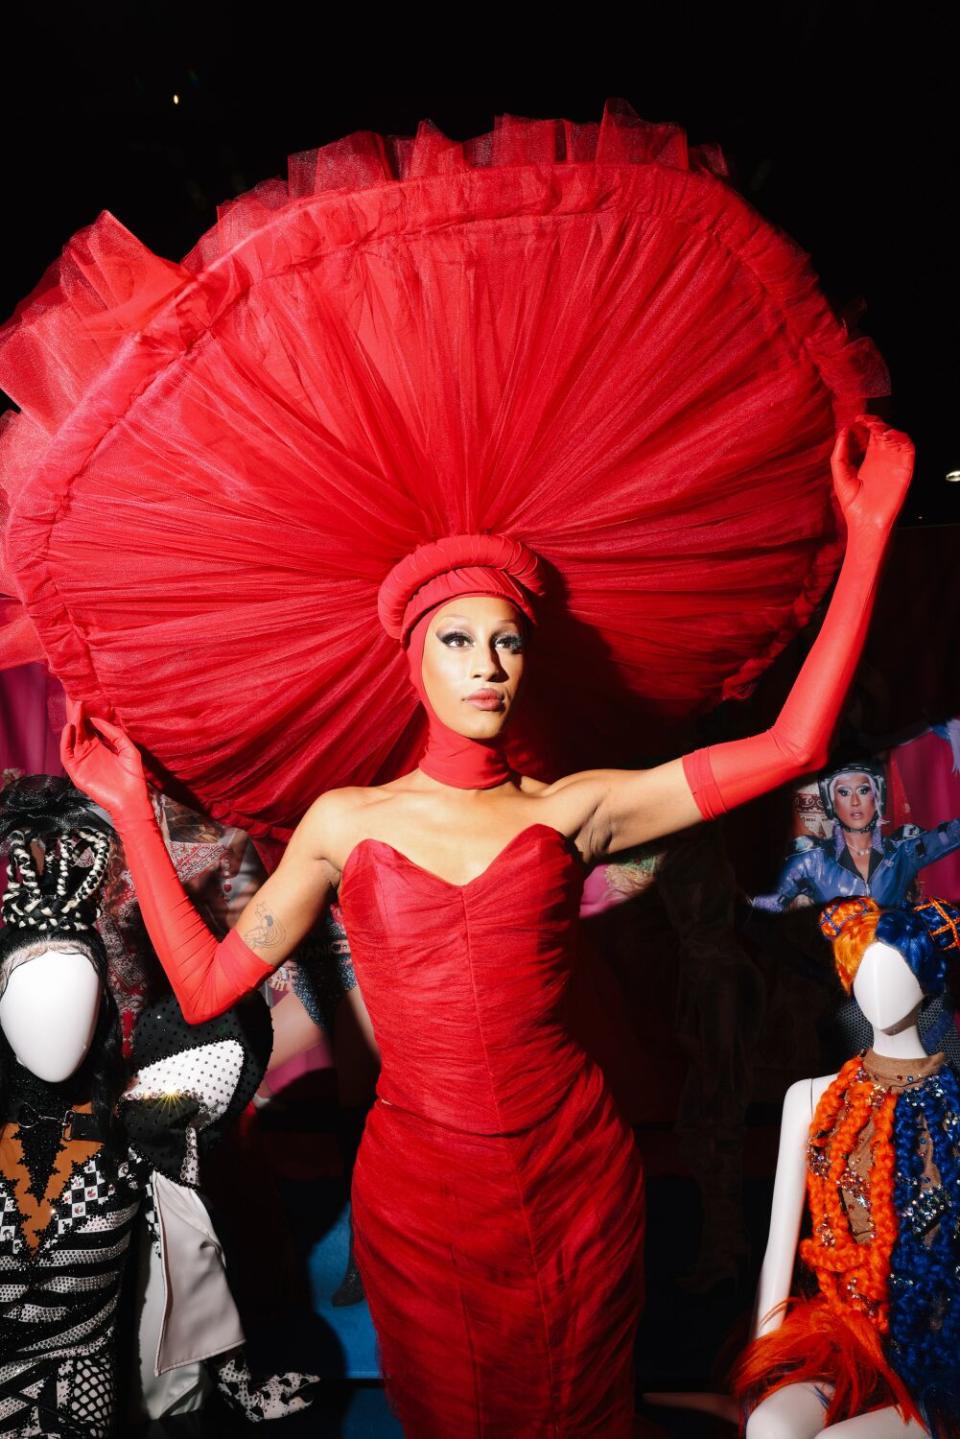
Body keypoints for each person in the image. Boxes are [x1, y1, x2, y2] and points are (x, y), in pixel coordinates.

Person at [2, 106, 913, 1433]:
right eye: (459, 639)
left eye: (507, 640)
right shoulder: (343, 818)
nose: (488, 662)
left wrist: (872, 532)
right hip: (423, 1195)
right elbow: (205, 982)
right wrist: (136, 811)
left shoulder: (577, 806)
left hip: (580, 1167)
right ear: (411, 658)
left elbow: (791, 746)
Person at [0, 777, 317, 1435]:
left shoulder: (210, 834)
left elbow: (292, 989)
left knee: (167, 1337)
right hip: (40, 1108)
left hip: (145, 1111)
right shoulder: (30, 809)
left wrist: (169, 1096)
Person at [734, 896, 960, 1438]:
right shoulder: (812, 1099)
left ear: (926, 980)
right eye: (865, 973)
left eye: (898, 972)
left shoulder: (952, 1102)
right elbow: (778, 1248)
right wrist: (763, 1364)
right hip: (844, 1337)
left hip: (941, 1347)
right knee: (771, 1427)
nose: (879, 989)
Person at [753, 760, 960, 911]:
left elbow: (951, 835)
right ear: (830, 801)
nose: (854, 802)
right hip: (836, 965)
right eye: (843, 792)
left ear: (877, 796)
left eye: (863, 790)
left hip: (892, 964)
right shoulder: (810, 861)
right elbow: (765, 914)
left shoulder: (903, 852)